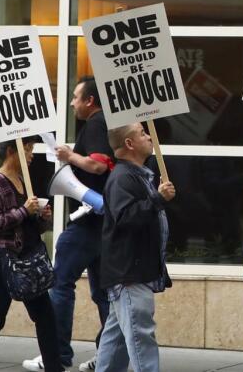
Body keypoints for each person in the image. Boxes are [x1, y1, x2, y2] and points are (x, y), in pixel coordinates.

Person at [24, 77, 114, 372]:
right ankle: (108, 354)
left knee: (60, 285)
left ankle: (57, 355)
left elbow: (99, 165)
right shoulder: (104, 124)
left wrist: (69, 156)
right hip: (101, 224)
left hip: (87, 223)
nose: (73, 102)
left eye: (76, 97)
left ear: (90, 101)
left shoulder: (97, 124)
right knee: (103, 293)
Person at [0, 137, 61, 372]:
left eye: (31, 148)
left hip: (27, 259)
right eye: (28, 149)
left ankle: (54, 367)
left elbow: (28, 226)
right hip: (2, 260)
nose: (32, 154)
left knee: (45, 316)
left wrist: (41, 217)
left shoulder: (23, 180)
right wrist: (25, 210)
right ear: (11, 151)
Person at [95, 123, 176, 372]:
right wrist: (158, 199)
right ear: (129, 144)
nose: (149, 136)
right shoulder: (122, 178)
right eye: (142, 133)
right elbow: (126, 217)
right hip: (130, 273)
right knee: (141, 338)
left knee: (116, 339)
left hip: (133, 270)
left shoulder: (136, 175)